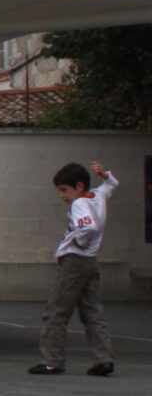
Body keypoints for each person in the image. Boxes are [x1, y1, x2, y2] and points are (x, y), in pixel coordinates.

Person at [32, 160, 117, 376]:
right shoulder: (97, 196)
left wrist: (78, 241)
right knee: (92, 311)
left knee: (56, 311)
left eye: (64, 190)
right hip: (90, 260)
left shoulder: (79, 204)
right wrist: (105, 176)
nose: (62, 195)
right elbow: (111, 185)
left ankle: (52, 360)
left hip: (74, 260)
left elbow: (88, 226)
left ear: (79, 186)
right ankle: (104, 358)